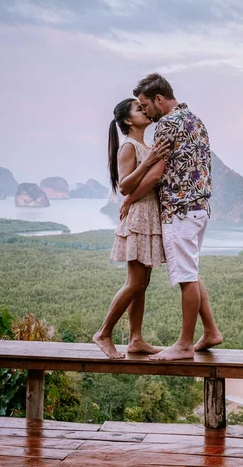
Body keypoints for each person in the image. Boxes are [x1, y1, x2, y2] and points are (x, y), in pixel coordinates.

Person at [120, 73, 222, 361]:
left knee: (186, 277)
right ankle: (211, 331)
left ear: (159, 100)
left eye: (145, 105)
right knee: (191, 270)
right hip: (199, 208)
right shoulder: (195, 119)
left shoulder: (166, 124)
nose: (145, 111)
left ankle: (185, 344)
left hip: (180, 210)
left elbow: (155, 174)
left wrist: (129, 198)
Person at [93, 98, 169, 359]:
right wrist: (148, 163)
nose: (145, 111)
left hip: (148, 215)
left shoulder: (145, 145)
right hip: (138, 218)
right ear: (127, 120)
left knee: (142, 283)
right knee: (135, 281)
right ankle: (103, 333)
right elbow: (124, 185)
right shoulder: (128, 146)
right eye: (139, 109)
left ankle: (136, 339)